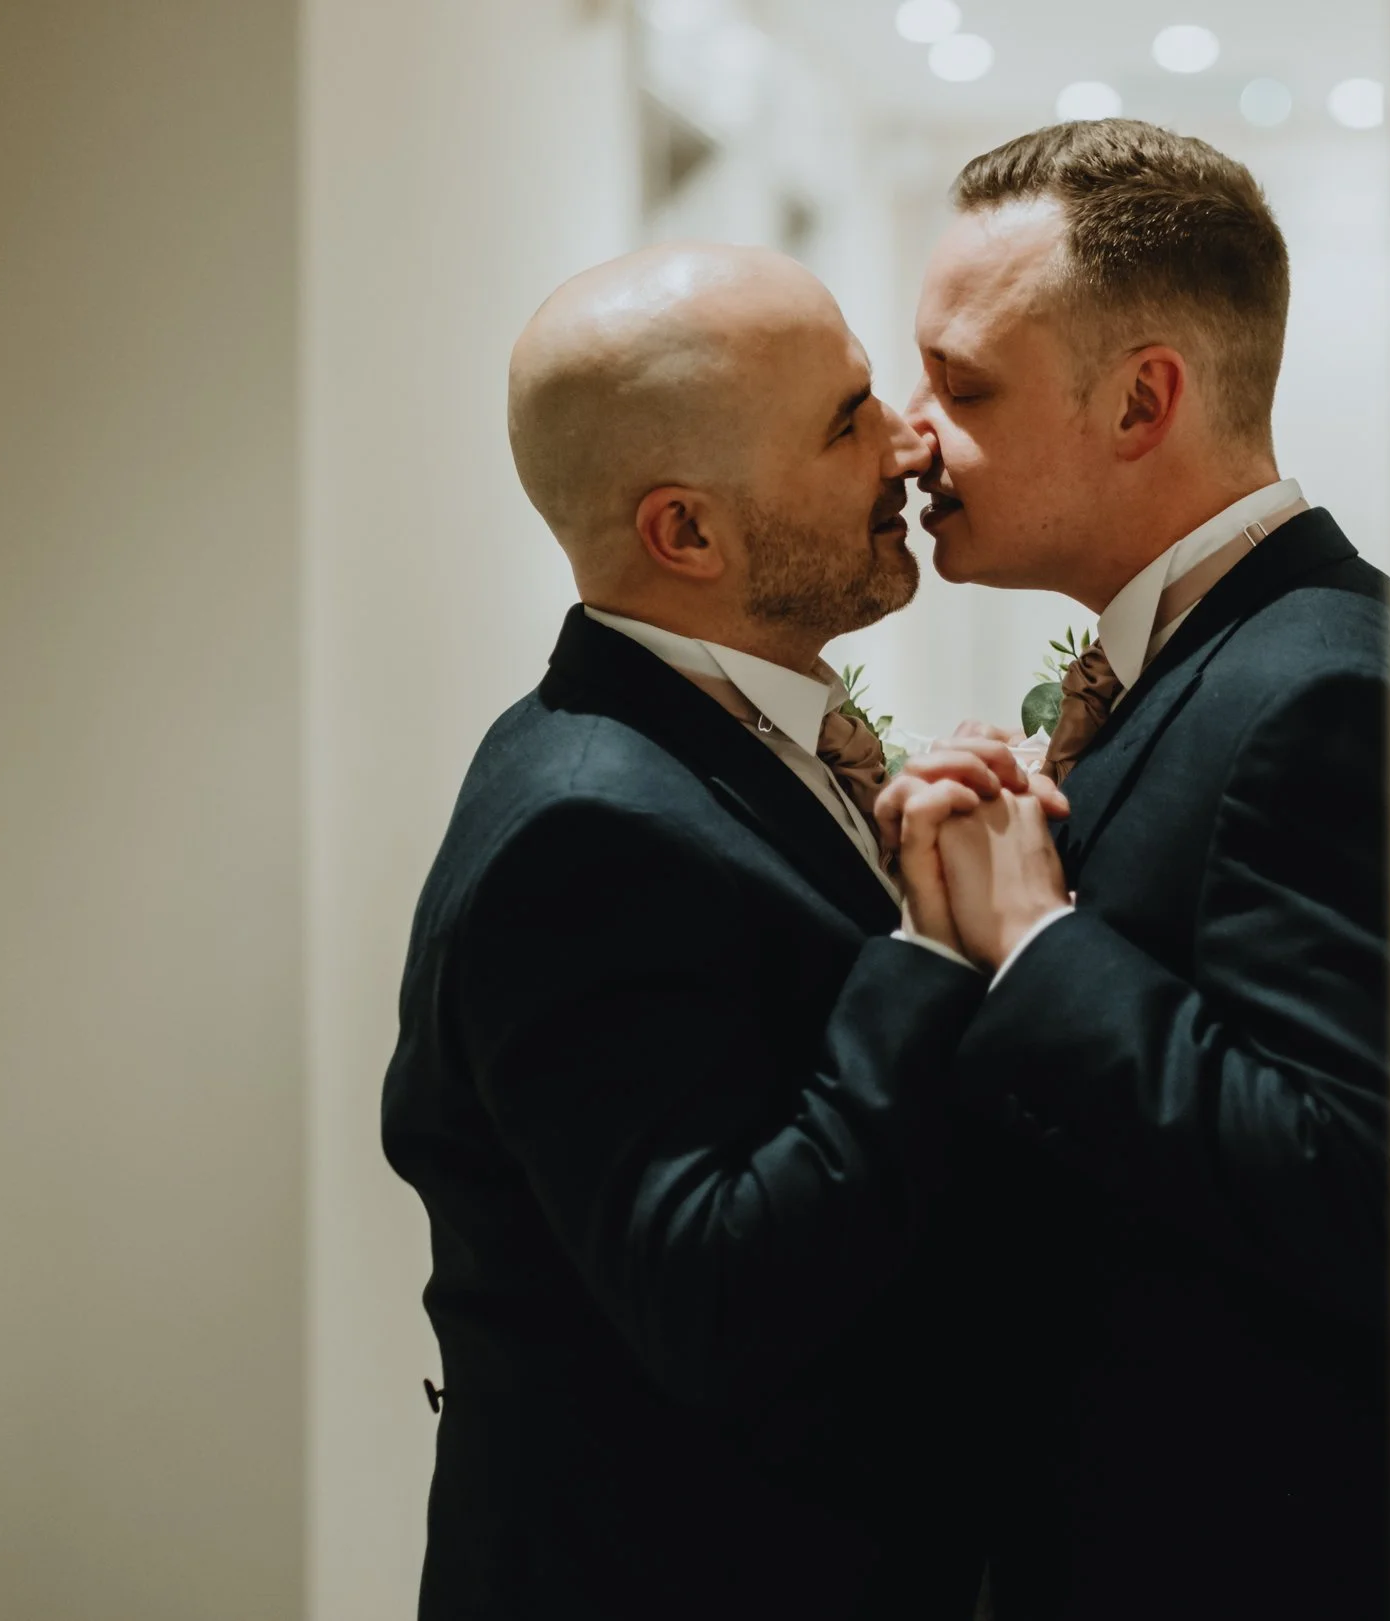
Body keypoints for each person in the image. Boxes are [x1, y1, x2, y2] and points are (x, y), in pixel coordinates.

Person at [382, 242, 1025, 1620]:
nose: (910, 442)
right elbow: (720, 1291)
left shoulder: (718, 744)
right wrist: (924, 955)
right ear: (687, 534)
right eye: (849, 419)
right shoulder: (586, 830)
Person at [881, 119, 1390, 1618]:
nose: (916, 433)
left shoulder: (1318, 689)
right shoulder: (1223, 659)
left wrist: (1040, 941)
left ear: (1141, 399)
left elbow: (1358, 1184)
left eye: (965, 387)